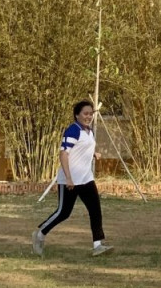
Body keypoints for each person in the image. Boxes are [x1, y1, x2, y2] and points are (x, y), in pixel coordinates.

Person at [33, 100, 113, 257]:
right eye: (85, 113)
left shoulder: (89, 131)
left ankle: (98, 245)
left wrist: (93, 154)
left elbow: (82, 148)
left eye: (91, 114)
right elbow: (63, 154)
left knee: (95, 210)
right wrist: (69, 178)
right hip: (70, 180)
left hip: (86, 179)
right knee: (63, 212)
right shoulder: (73, 130)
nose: (88, 116)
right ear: (77, 115)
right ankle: (40, 234)